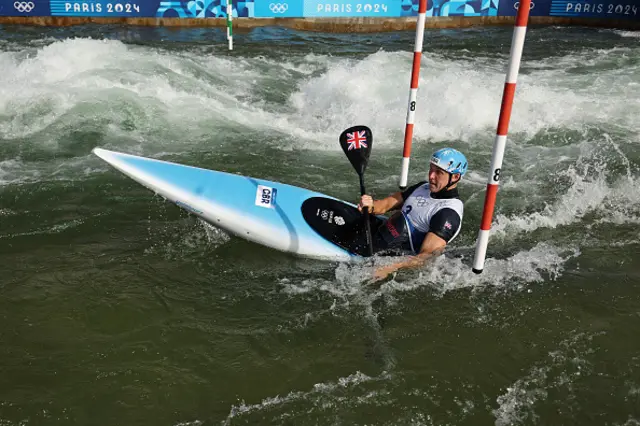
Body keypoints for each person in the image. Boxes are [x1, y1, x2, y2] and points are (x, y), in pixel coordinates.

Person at [356, 147, 468, 281]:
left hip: (386, 258)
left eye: (438, 172)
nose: (431, 176)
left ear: (455, 177)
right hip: (377, 237)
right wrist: (370, 205)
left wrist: (389, 268)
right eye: (431, 169)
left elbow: (425, 257)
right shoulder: (422, 188)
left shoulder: (448, 213)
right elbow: (385, 205)